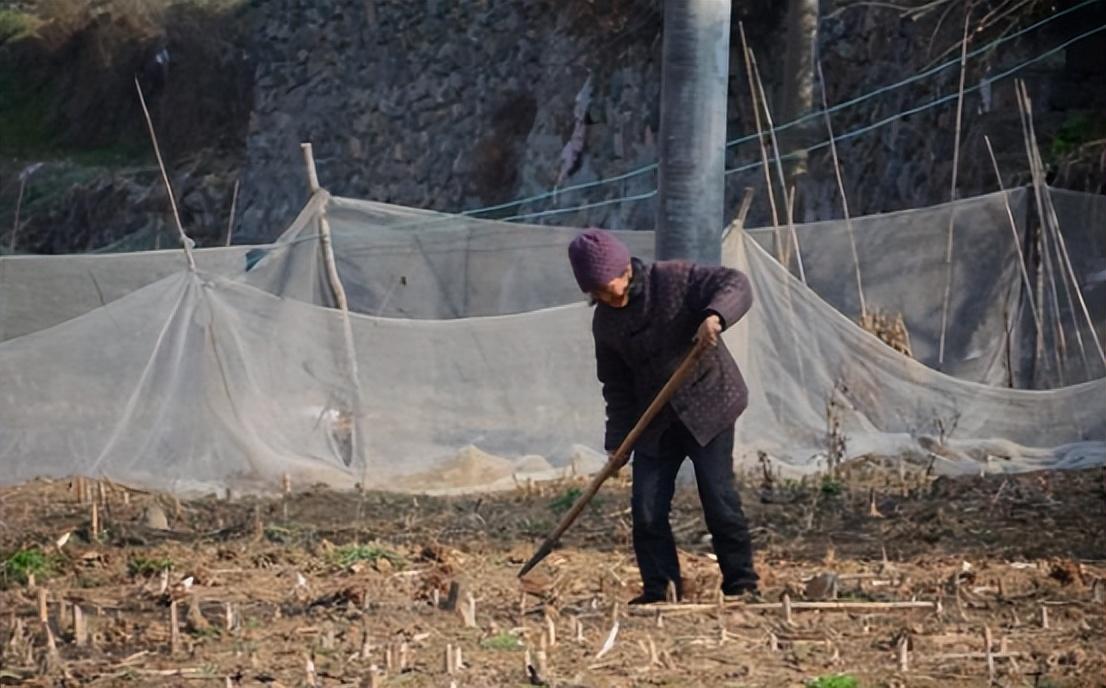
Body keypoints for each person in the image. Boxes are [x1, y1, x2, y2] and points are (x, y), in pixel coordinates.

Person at [567, 228, 759, 604]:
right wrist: (618, 442)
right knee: (647, 509)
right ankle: (661, 590)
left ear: (626, 270)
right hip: (653, 420)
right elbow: (616, 386)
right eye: (599, 294)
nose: (611, 297)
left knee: (718, 498)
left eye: (613, 286)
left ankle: (741, 584)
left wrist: (714, 316)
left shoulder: (673, 279)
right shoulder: (605, 323)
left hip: (709, 403)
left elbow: (734, 283)